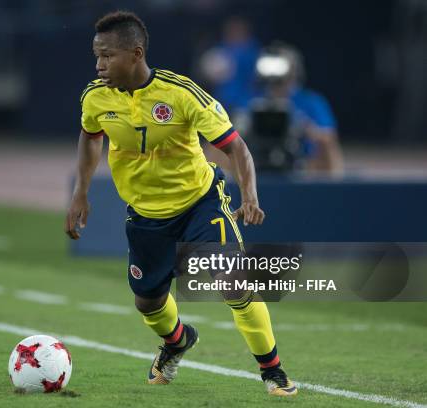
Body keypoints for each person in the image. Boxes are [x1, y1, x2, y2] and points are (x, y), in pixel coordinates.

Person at [64, 11, 297, 396]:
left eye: (107, 56)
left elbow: (235, 146)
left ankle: (273, 370)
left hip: (199, 204)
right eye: (96, 56)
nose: (99, 64)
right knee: (147, 303)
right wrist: (80, 193)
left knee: (233, 283)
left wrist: (249, 195)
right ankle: (177, 341)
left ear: (135, 54)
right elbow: (91, 138)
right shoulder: (95, 97)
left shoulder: (182, 94)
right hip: (145, 216)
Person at [248, 43, 344, 174]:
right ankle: (219, 190)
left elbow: (328, 136)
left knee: (328, 146)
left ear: (294, 69)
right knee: (222, 139)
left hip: (303, 163)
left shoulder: (310, 101)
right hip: (256, 159)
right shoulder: (255, 101)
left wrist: (305, 128)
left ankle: (333, 190)